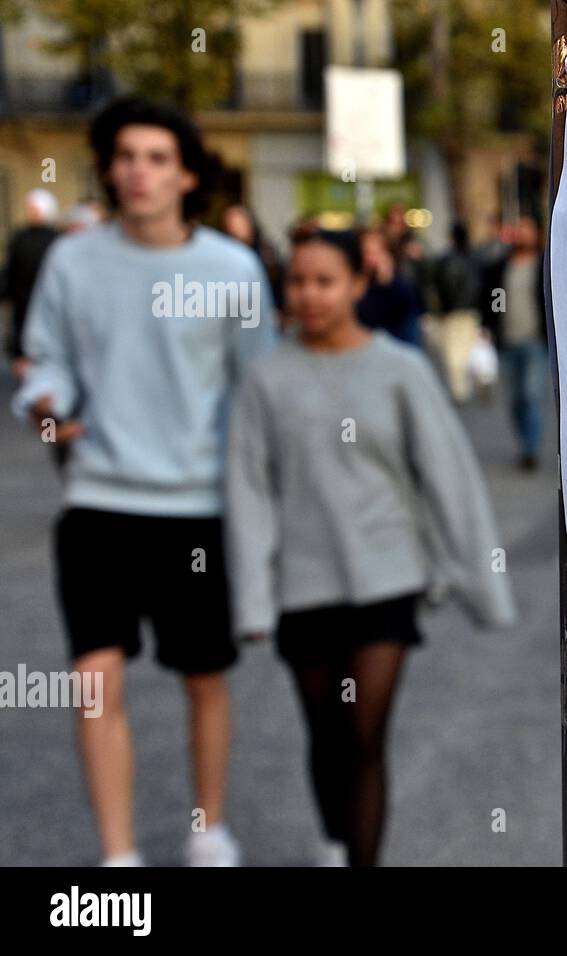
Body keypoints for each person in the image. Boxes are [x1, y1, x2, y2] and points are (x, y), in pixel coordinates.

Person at [11, 95, 278, 867]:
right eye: (125, 156)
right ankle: (118, 854)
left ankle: (209, 827)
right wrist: (46, 402)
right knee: (95, 680)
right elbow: (44, 355)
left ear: (187, 174)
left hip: (199, 509)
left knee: (204, 679)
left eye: (158, 158)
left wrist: (259, 500)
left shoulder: (231, 269)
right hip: (98, 500)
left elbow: (254, 387)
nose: (139, 172)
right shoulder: (73, 259)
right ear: (107, 168)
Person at [224, 230, 517, 866]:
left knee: (364, 737)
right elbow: (247, 493)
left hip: (387, 580)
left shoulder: (400, 370)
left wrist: (482, 587)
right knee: (326, 734)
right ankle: (334, 838)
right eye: (297, 281)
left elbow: (449, 478)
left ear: (360, 283)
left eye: (325, 281)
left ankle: (361, 861)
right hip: (301, 586)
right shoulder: (266, 379)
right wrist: (250, 602)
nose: (308, 295)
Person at [495, 216, 548, 470]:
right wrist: (491, 324)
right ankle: (523, 442)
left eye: (527, 229)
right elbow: (494, 298)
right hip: (507, 342)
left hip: (534, 341)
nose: (522, 234)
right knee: (514, 399)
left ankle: (530, 449)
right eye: (518, 229)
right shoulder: (502, 266)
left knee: (531, 395)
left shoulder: (544, 264)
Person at [3, 188, 62, 381]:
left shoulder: (57, 240)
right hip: (25, 306)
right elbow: (11, 273)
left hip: (46, 305)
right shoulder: (23, 237)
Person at [431, 222, 487, 402]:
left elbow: (442, 287)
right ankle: (481, 379)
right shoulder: (475, 258)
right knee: (473, 348)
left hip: (452, 312)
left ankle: (460, 390)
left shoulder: (445, 261)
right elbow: (483, 286)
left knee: (454, 353)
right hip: (473, 310)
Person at [357, 227, 425, 350]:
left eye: (373, 253)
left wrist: (385, 283)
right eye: (365, 252)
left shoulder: (400, 288)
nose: (368, 258)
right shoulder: (356, 284)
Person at [220, 203, 285, 314]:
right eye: (231, 221)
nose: (236, 225)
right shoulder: (221, 258)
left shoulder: (267, 254)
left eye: (240, 219)